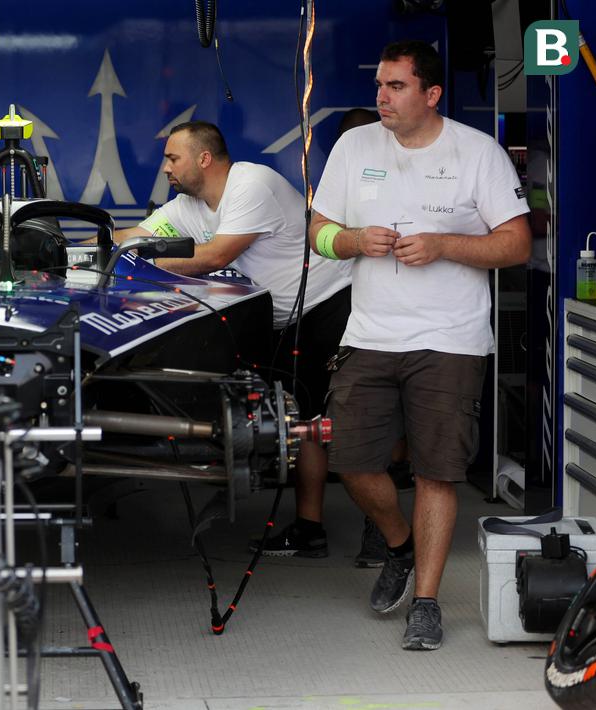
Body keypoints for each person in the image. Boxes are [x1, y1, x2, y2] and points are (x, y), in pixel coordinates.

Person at [309, 40, 530, 651]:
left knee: (437, 471)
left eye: (396, 86)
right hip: (369, 335)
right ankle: (398, 545)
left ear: (432, 94)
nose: (382, 97)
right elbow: (317, 230)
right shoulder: (354, 147)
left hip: (451, 338)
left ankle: (427, 603)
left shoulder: (477, 151)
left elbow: (516, 244)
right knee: (352, 460)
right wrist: (352, 241)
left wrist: (443, 245)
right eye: (380, 86)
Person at [115, 121, 352, 560]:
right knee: (302, 422)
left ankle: (380, 531)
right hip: (281, 321)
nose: (165, 167)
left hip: (330, 306)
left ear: (204, 158)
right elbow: (134, 239)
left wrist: (144, 262)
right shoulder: (188, 205)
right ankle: (310, 531)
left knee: (343, 423)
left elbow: (215, 256)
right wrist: (79, 245)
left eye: (173, 158)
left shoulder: (251, 183)